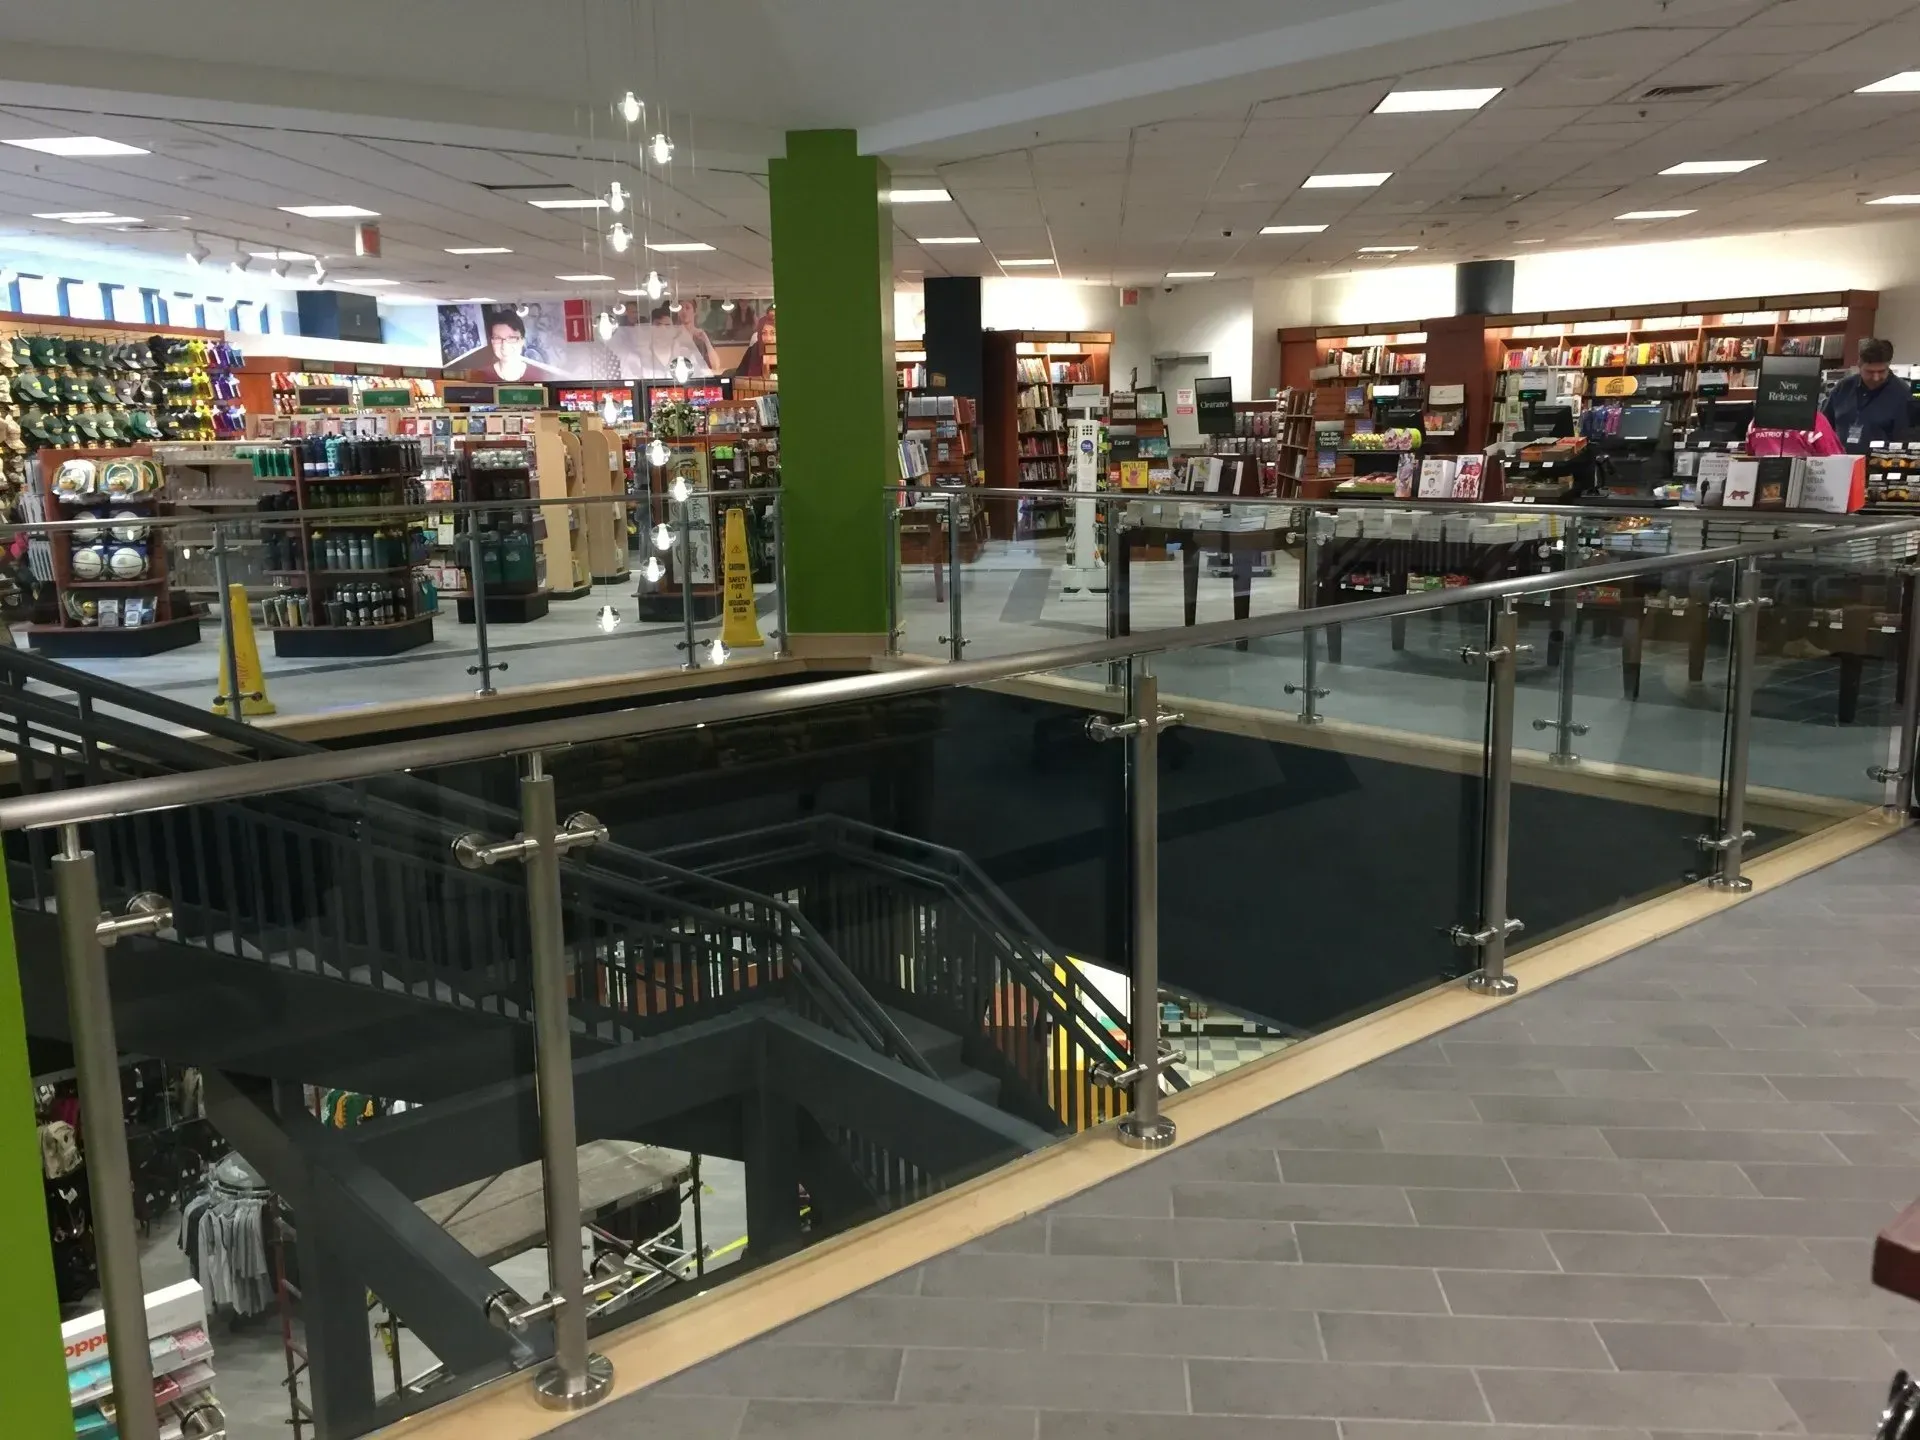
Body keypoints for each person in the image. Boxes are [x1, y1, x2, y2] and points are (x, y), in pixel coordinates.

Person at [1822, 337, 1911, 454]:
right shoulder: (1843, 387)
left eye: (1881, 371)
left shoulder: (1903, 394)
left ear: (1888, 365)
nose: (1876, 378)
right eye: (1870, 372)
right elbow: (1824, 426)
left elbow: (1907, 442)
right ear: (1859, 365)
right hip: (1839, 460)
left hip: (1879, 463)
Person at [476, 306, 554, 384]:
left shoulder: (538, 376)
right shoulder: (481, 376)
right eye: (498, 338)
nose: (505, 346)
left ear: (522, 341)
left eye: (511, 338)